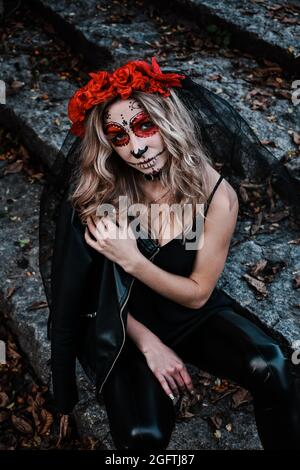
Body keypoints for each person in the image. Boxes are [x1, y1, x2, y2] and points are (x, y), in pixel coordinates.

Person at [39, 57, 300, 450]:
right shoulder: (99, 194)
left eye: (145, 125)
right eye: (120, 136)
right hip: (123, 320)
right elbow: (80, 298)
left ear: (170, 122)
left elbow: (197, 293)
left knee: (275, 367)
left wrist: (132, 259)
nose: (138, 147)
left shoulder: (215, 194)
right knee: (142, 437)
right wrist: (148, 345)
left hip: (187, 309)